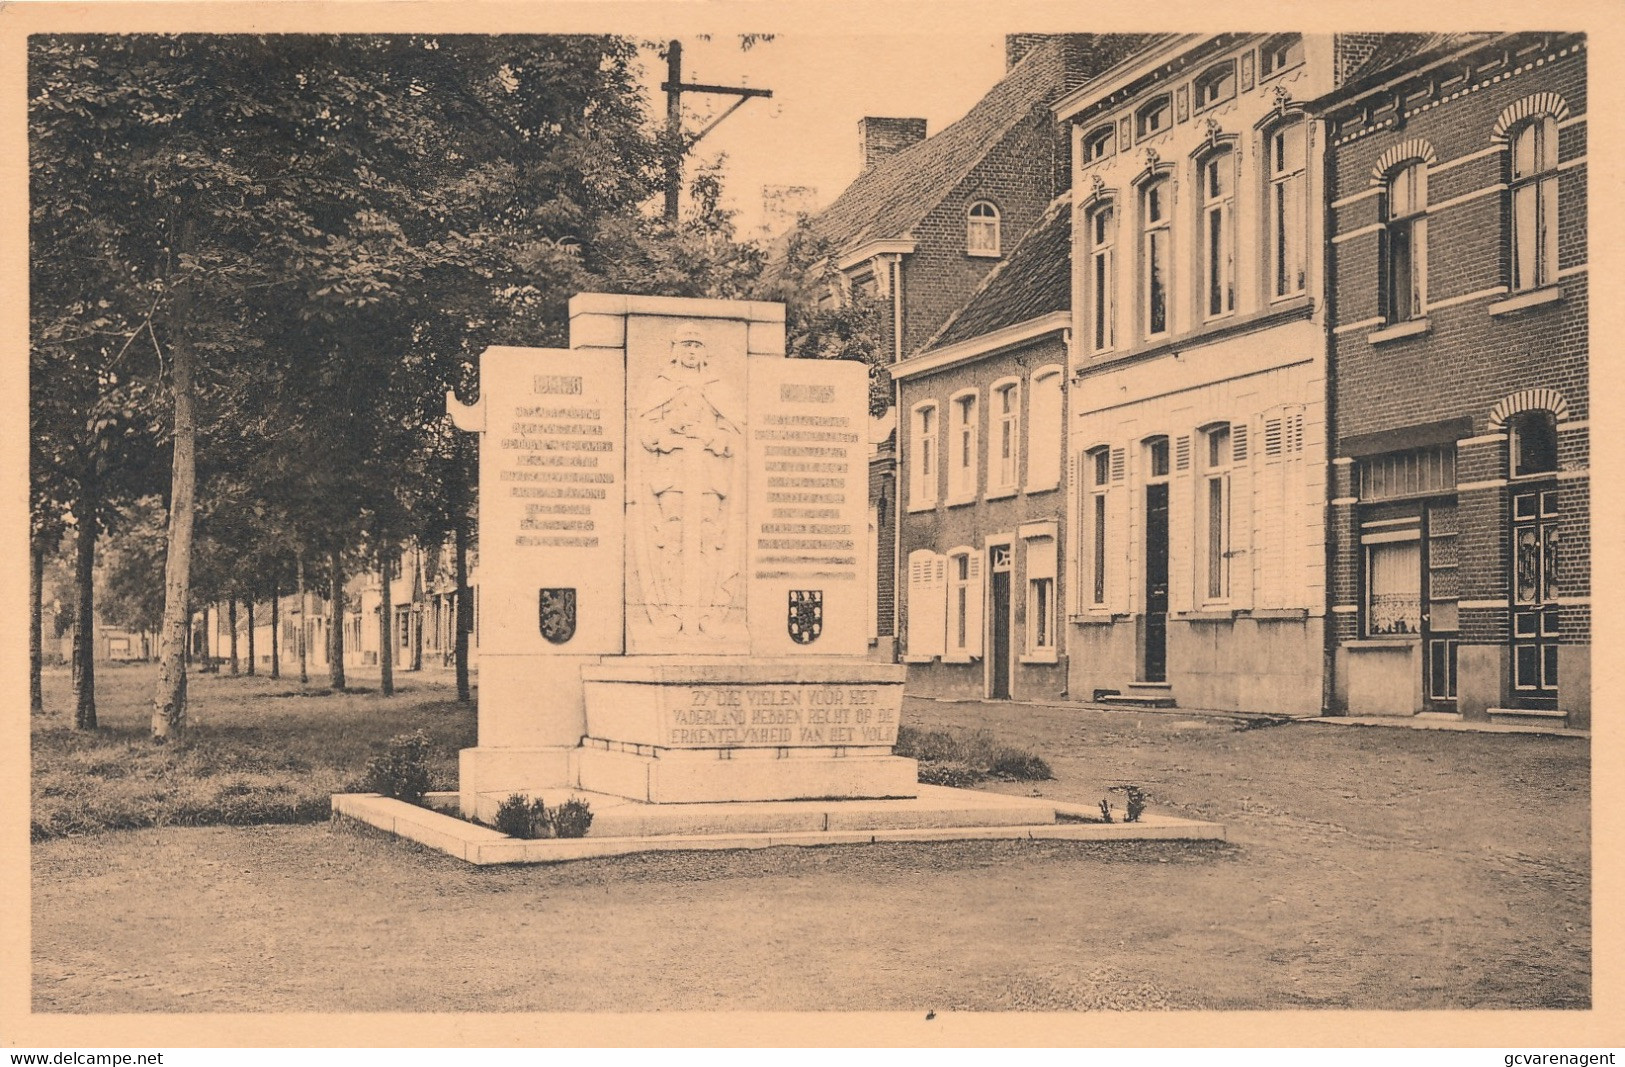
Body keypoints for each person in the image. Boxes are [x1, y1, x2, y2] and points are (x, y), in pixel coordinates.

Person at [635, 324, 741, 636]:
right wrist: (671, 433)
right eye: (686, 344)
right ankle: (671, 611)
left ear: (704, 351)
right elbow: (646, 431)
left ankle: (706, 611)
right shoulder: (662, 385)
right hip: (672, 475)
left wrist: (707, 435)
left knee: (708, 542)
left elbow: (731, 433)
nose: (691, 351)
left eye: (696, 345)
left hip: (708, 477)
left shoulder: (717, 385)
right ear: (675, 350)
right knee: (672, 541)